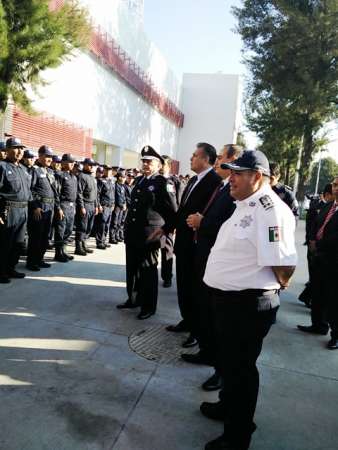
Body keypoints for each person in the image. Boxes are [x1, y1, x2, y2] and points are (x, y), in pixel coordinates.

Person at [200, 150, 297, 450]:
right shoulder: (244, 203)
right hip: (229, 302)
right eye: (231, 172)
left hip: (246, 305)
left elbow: (284, 266)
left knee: (241, 371)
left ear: (257, 176)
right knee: (230, 365)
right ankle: (227, 407)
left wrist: (268, 288)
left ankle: (238, 435)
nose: (231, 178)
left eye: (238, 173)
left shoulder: (270, 210)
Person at [181, 144, 241, 391]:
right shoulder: (222, 186)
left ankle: (219, 369)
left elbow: (228, 229)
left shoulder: (236, 193)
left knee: (218, 322)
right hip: (205, 256)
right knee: (205, 312)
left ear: (233, 161)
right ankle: (207, 352)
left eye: (221, 158)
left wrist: (202, 223)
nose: (217, 161)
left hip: (220, 264)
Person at [167, 143, 221, 348]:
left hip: (197, 245)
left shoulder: (214, 182)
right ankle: (187, 320)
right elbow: (183, 210)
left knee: (196, 289)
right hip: (183, 242)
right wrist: (167, 228)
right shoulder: (193, 180)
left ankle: (197, 330)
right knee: (183, 285)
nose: (191, 158)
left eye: (194, 155)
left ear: (206, 159)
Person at [117, 145, 177, 319]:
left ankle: (149, 306)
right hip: (134, 233)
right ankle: (133, 298)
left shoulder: (162, 183)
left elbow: (173, 212)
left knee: (148, 272)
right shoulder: (140, 180)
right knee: (132, 269)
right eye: (144, 161)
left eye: (149, 162)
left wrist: (164, 230)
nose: (145, 164)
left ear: (159, 165)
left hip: (150, 235)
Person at [297, 176, 338, 350]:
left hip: (334, 262)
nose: (335, 188)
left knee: (334, 300)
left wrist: (318, 244)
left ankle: (335, 336)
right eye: (335, 184)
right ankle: (318, 325)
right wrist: (312, 240)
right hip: (318, 258)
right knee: (318, 293)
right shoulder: (329, 206)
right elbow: (315, 224)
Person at [0, 137, 32, 283]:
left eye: (21, 148)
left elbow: (28, 192)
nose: (20, 151)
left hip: (23, 209)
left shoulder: (24, 170)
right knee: (5, 243)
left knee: (18, 242)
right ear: (7, 150)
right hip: (9, 209)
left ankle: (11, 268)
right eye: (16, 147)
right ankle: (1, 272)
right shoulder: (2, 167)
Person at [26, 145, 59, 271]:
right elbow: (30, 190)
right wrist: (35, 206)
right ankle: (31, 261)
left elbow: (54, 191)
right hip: (40, 208)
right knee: (36, 236)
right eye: (47, 156)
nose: (49, 159)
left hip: (50, 207)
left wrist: (57, 207)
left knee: (45, 236)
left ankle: (39, 259)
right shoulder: (34, 170)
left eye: (51, 156)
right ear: (40, 156)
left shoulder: (50, 172)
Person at [159, 155, 182, 287]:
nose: (161, 167)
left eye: (163, 165)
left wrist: (174, 223)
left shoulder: (174, 181)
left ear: (168, 166)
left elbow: (177, 204)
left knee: (166, 250)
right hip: (153, 221)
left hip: (167, 222)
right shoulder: (154, 180)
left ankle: (167, 277)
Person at [54, 154, 78, 262]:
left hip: (71, 206)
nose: (72, 164)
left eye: (73, 162)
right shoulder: (59, 175)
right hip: (63, 205)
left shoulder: (73, 177)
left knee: (68, 230)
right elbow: (57, 193)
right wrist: (58, 208)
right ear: (63, 163)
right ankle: (58, 253)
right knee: (61, 230)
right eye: (70, 162)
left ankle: (64, 251)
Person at [75, 157, 98, 256]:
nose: (92, 167)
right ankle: (78, 247)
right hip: (85, 204)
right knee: (82, 227)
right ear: (84, 165)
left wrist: (96, 206)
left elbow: (96, 193)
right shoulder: (82, 176)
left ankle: (84, 244)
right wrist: (81, 207)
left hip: (92, 205)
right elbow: (79, 193)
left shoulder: (92, 177)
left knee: (89, 227)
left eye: (93, 165)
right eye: (90, 165)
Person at [96, 165, 115, 249]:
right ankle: (99, 242)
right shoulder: (101, 181)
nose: (108, 172)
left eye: (110, 171)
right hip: (103, 206)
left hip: (110, 206)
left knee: (107, 225)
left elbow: (112, 194)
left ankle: (103, 240)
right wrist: (99, 205)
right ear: (104, 171)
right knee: (101, 225)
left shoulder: (110, 181)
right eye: (107, 170)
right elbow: (97, 194)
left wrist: (113, 204)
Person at [109, 170, 127, 244]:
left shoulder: (122, 186)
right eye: (123, 177)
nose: (124, 179)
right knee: (114, 222)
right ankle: (112, 237)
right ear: (119, 177)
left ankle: (116, 236)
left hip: (121, 207)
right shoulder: (116, 185)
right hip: (117, 206)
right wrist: (121, 204)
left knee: (119, 222)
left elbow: (123, 197)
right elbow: (117, 197)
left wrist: (124, 203)